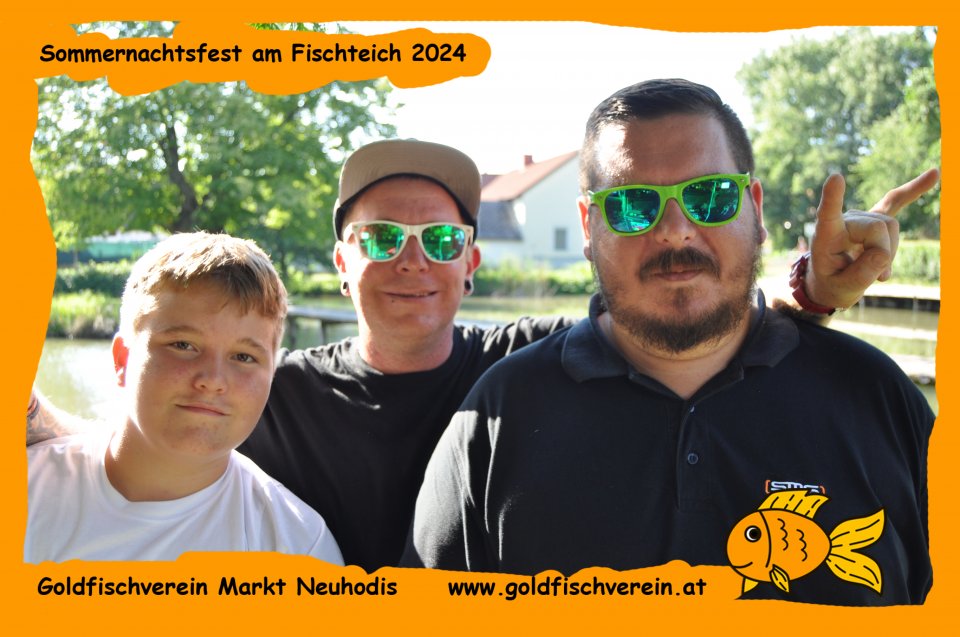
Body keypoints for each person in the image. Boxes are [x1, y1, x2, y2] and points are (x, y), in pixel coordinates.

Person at [28, 138, 935, 572]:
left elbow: (664, 316)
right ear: (342, 262)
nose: (411, 261)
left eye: (438, 239)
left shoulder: (528, 367)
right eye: (382, 240)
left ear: (472, 260)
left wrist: (807, 291)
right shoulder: (271, 386)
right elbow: (153, 429)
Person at [402, 80, 935, 606]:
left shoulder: (877, 397)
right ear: (588, 226)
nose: (675, 230)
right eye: (633, 205)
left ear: (754, 209)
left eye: (710, 196)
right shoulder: (498, 418)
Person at [25, 232, 343, 564]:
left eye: (244, 357)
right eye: (183, 346)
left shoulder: (297, 548)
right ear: (122, 359)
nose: (213, 380)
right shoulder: (25, 490)